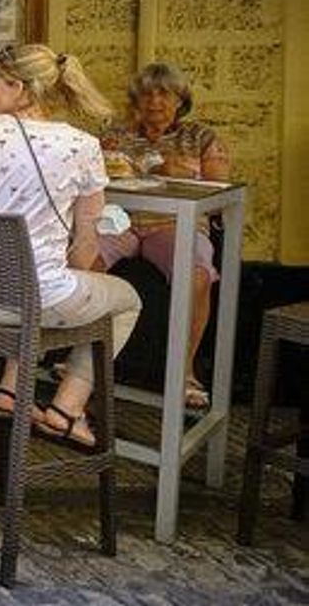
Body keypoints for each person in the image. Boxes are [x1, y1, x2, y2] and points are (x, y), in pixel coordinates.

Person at [0, 43, 142, 446]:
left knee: (33, 280)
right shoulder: (82, 146)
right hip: (31, 301)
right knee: (126, 300)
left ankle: (12, 392)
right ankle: (67, 408)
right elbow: (87, 243)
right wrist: (84, 289)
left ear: (19, 87)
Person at [98, 63, 230, 410]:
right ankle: (83, 359)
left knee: (198, 274)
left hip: (174, 225)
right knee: (82, 259)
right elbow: (93, 175)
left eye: (163, 93)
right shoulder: (116, 135)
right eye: (146, 93)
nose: (154, 100)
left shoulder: (200, 137)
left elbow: (219, 193)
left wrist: (176, 176)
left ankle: (184, 373)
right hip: (120, 221)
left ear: (180, 100)